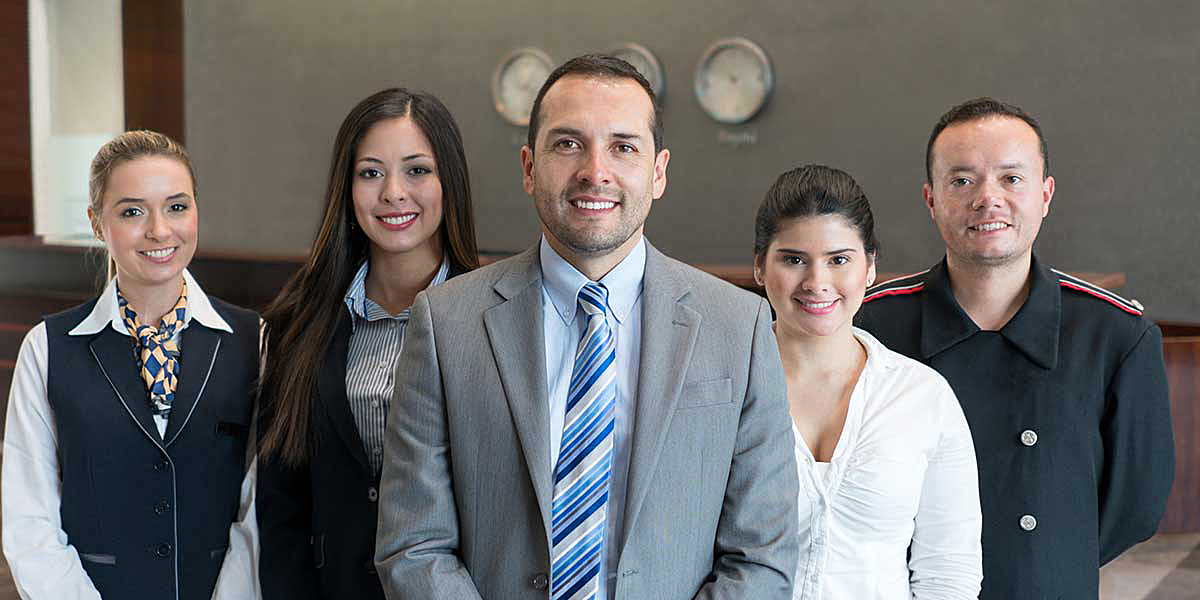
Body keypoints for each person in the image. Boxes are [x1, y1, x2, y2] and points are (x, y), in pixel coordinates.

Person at [374, 54, 799, 599]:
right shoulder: (445, 322)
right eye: (568, 143)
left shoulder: (738, 326)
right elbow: (414, 545)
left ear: (659, 171)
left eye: (623, 147)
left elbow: (763, 554)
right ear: (529, 167)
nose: (594, 171)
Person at [856, 97, 1174, 599]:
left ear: (1045, 194)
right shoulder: (870, 325)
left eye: (1011, 178)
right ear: (930, 199)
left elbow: (1137, 504)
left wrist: (1050, 556)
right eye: (962, 181)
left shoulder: (1115, 335)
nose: (988, 198)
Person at [2, 130, 260, 599]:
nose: (160, 230)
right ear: (97, 223)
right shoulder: (48, 348)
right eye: (132, 211)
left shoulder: (253, 341)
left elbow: (259, 506)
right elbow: (28, 515)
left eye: (177, 207)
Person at [255, 88, 478, 599]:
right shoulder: (299, 320)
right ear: (347, 187)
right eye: (371, 172)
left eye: (417, 170)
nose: (393, 193)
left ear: (450, 182)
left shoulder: (493, 316)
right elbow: (282, 504)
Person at [753, 165, 981, 599]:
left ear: (871, 267)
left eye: (839, 260)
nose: (817, 282)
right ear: (761, 267)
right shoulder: (722, 387)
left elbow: (948, 574)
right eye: (794, 259)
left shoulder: (921, 396)